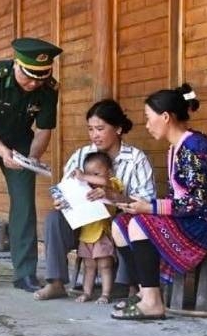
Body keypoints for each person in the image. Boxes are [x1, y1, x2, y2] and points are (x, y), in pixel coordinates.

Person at [110, 84, 207, 320]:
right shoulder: (176, 149)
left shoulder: (194, 147)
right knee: (121, 225)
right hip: (195, 220)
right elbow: (178, 201)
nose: (147, 125)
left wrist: (150, 207)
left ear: (165, 117)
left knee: (139, 224)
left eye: (149, 119)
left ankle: (152, 303)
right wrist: (141, 205)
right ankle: (144, 293)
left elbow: (197, 203)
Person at [0, 37, 62, 292]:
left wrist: (33, 156)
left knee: (24, 204)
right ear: (17, 65)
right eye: (29, 77)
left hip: (21, 141)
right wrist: (3, 152)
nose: (34, 84)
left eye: (40, 78)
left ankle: (25, 273)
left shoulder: (48, 88)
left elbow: (43, 129)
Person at [34, 99, 155, 301]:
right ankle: (55, 283)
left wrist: (113, 197)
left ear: (117, 128)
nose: (94, 135)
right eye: (90, 129)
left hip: (116, 222)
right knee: (54, 218)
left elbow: (146, 202)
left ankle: (128, 285)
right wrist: (61, 200)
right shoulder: (82, 154)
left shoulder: (136, 159)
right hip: (85, 225)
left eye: (100, 128)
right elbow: (64, 189)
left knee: (126, 223)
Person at [71, 152, 120, 304]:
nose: (91, 178)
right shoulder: (85, 189)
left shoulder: (113, 184)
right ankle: (87, 292)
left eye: (96, 173)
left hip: (102, 234)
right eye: (88, 174)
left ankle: (105, 294)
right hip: (85, 235)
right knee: (89, 266)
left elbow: (104, 181)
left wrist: (84, 176)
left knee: (105, 265)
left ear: (110, 172)